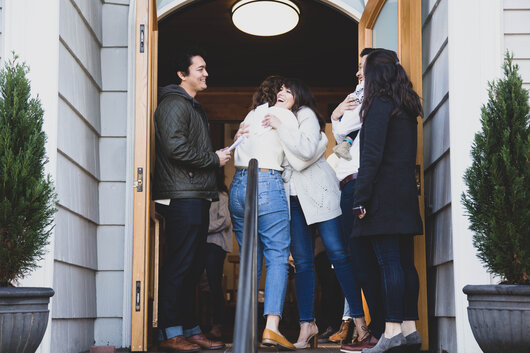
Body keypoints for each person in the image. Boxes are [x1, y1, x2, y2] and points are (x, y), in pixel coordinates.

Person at [262, 78, 371, 350]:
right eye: (280, 90)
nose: (282, 93)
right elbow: (292, 156)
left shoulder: (305, 114)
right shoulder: (279, 117)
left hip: (320, 192)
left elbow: (306, 153)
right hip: (294, 197)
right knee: (303, 263)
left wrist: (284, 130)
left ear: (299, 95)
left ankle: (359, 322)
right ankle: (306, 325)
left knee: (338, 255)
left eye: (288, 90)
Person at [153, 49, 231, 353]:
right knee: (181, 266)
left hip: (195, 194)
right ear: (182, 74)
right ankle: (171, 332)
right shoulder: (174, 103)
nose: (206, 73)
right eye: (200, 68)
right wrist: (214, 158)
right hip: (181, 195)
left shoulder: (191, 105)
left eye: (206, 68)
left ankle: (190, 329)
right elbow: (174, 148)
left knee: (192, 266)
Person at [352, 49, 423, 353]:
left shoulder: (380, 104)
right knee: (405, 263)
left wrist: (360, 197)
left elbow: (372, 156)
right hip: (405, 194)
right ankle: (409, 329)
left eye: (364, 71)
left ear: (374, 75)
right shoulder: (405, 105)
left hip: (383, 196)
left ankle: (392, 331)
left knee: (389, 263)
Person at [229, 75, 298, 351]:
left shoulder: (250, 115)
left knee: (250, 259)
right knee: (278, 256)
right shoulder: (284, 115)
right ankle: (271, 329)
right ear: (282, 92)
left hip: (238, 184)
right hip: (268, 181)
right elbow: (298, 154)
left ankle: (246, 330)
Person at [330, 48, 386, 353]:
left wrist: (337, 114)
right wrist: (339, 115)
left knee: (368, 261)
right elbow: (343, 134)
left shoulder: (372, 94)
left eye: (361, 66)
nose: (357, 73)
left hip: (360, 184)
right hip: (351, 184)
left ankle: (378, 330)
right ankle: (375, 330)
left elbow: (345, 124)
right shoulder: (362, 93)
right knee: (361, 260)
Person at [205, 172, 233, 339]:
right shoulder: (204, 197)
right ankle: (204, 322)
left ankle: (218, 324)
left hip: (216, 244)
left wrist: (203, 228)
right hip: (203, 243)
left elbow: (225, 221)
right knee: (203, 285)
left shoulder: (221, 196)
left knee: (213, 283)